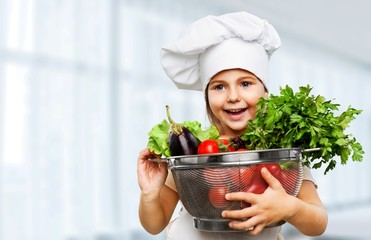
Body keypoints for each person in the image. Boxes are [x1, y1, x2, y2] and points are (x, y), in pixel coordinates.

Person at [137, 11, 328, 239]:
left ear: (265, 93)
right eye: (219, 87)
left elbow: (318, 223)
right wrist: (149, 193)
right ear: (207, 97)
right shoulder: (195, 149)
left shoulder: (281, 150)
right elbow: (154, 224)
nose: (233, 96)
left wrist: (291, 208)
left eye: (246, 83)